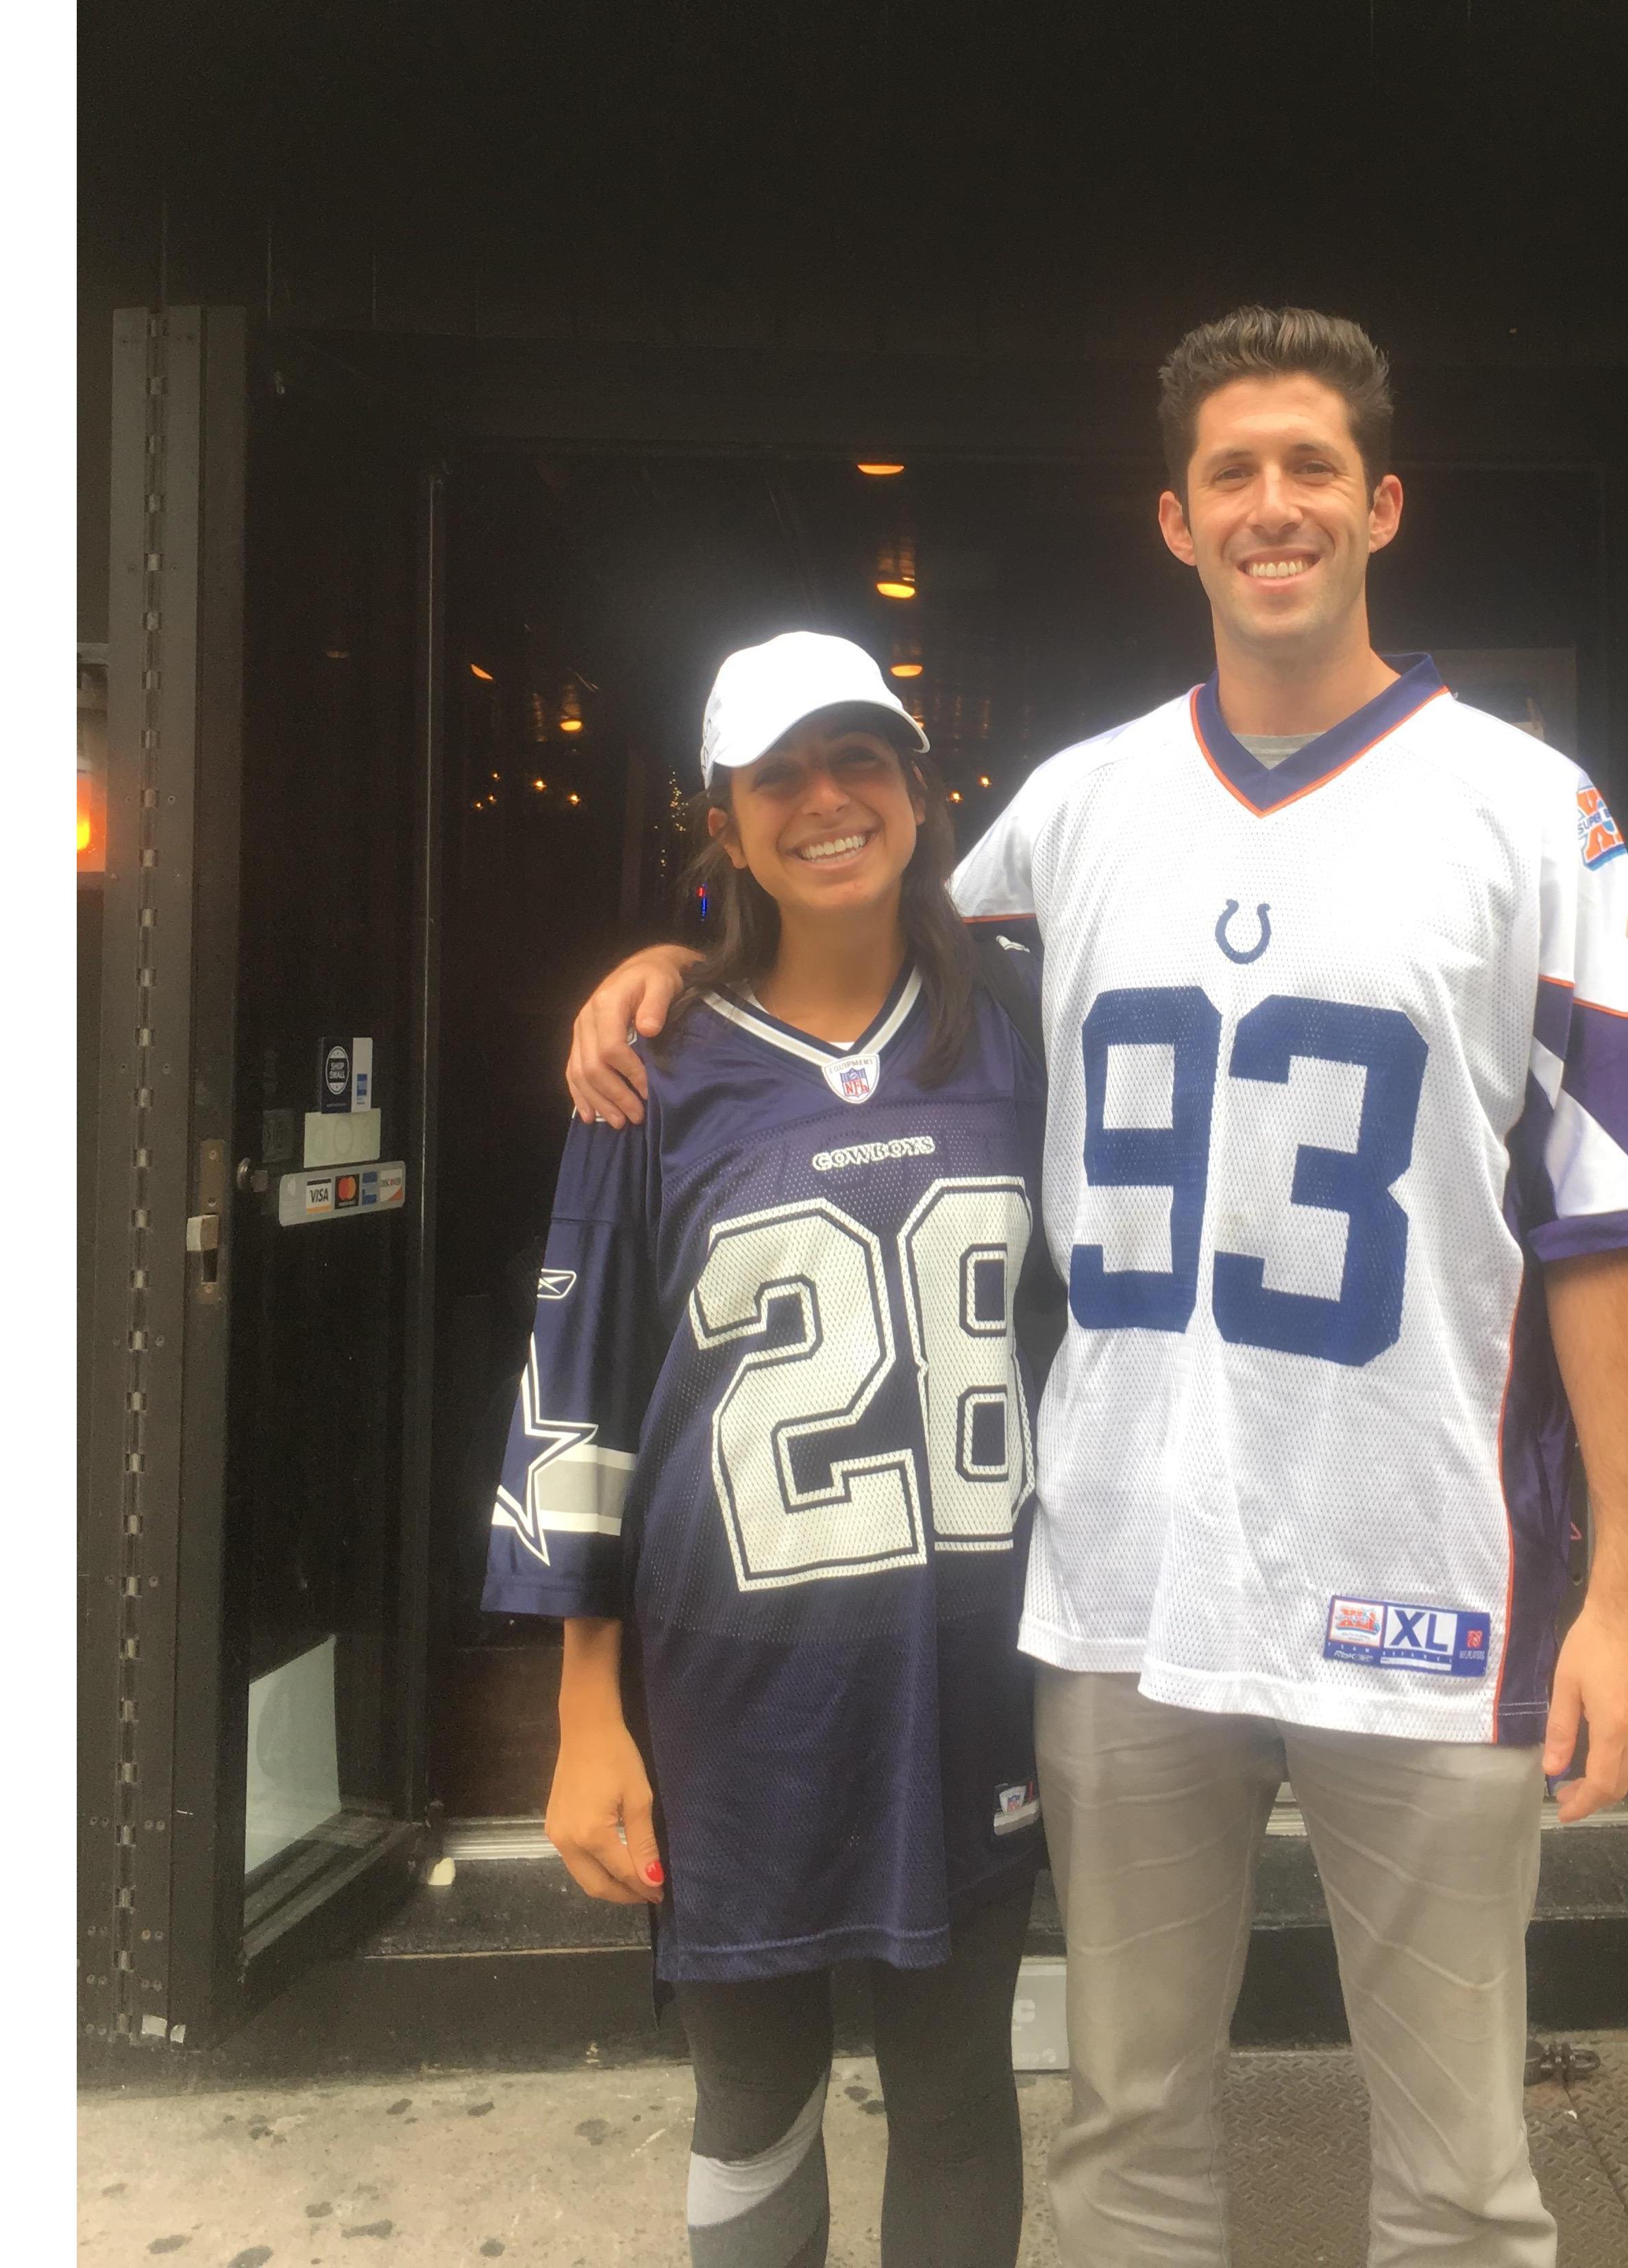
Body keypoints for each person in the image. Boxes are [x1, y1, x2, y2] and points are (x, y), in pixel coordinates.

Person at [567, 308, 1628, 2268]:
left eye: (1310, 467)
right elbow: (848, 952)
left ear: (1381, 504)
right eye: (1231, 474)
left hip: (1424, 1572)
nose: (1273, 505)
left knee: (1462, 2174)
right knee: (1124, 2133)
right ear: (1177, 523)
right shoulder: (1080, 805)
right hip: (1122, 1580)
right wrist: (680, 961)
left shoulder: (1533, 807)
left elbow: (1608, 1221)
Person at [485, 631, 1059, 2268]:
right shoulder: (654, 1068)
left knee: (958, 2094)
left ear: (920, 793)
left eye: (858, 759)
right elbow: (580, 1395)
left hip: (969, 1676)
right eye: (779, 775)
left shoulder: (1026, 1029)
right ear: (726, 826)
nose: (826, 800)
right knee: (749, 2105)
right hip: (734, 1694)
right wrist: (585, 1715)